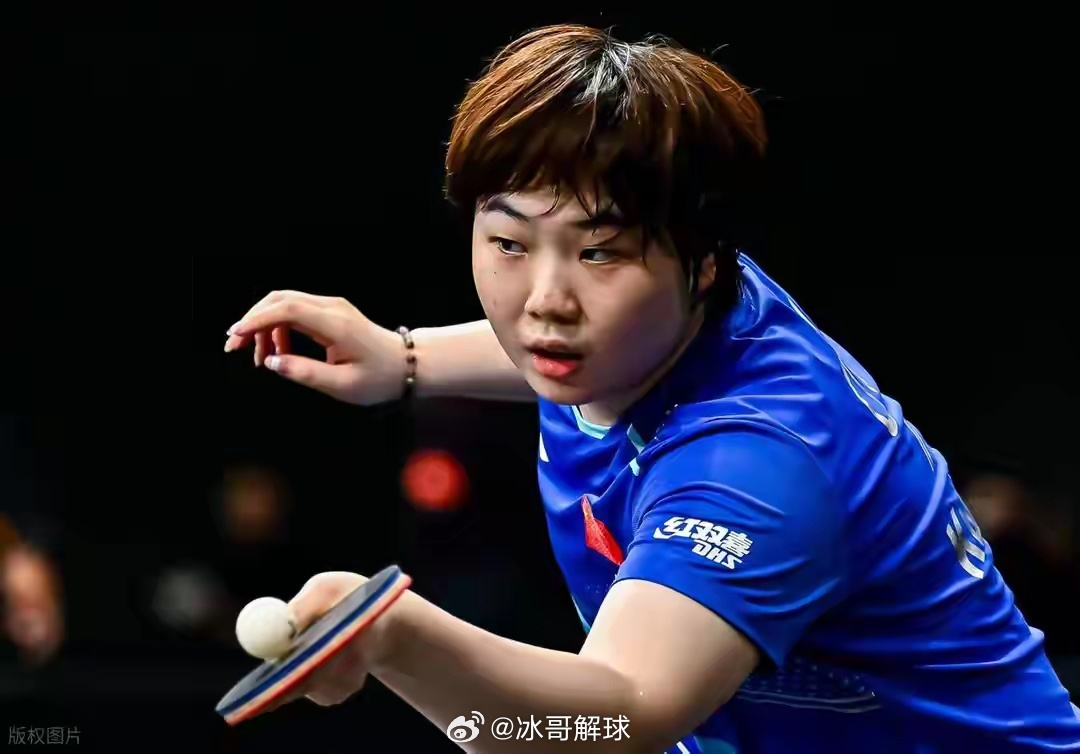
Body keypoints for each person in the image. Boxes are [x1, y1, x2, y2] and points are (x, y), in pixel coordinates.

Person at [220, 24, 1080, 753]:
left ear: (699, 262)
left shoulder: (757, 465)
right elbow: (558, 346)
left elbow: (617, 721)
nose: (545, 302)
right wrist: (406, 357)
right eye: (510, 243)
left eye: (598, 252)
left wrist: (392, 635)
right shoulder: (677, 312)